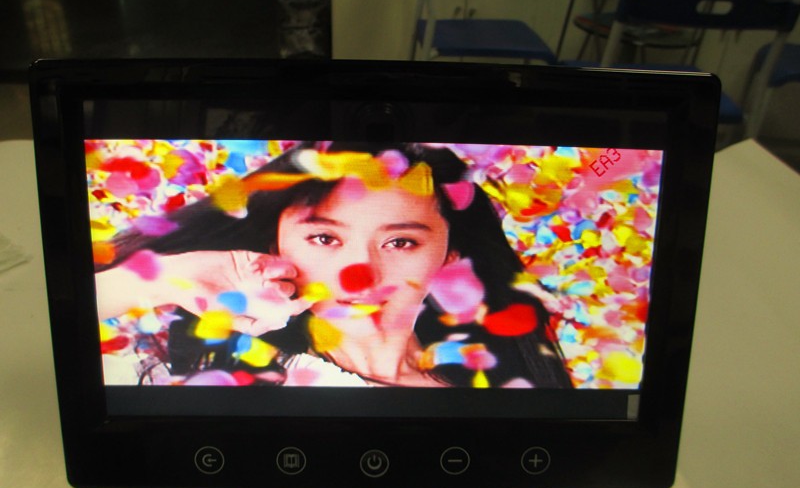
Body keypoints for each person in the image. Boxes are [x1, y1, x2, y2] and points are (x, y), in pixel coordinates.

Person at [95, 142, 572, 388]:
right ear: (276, 242)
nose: (360, 275)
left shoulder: (502, 385)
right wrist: (170, 277)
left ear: (450, 257)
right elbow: (65, 316)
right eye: (324, 238)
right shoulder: (218, 367)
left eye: (401, 242)